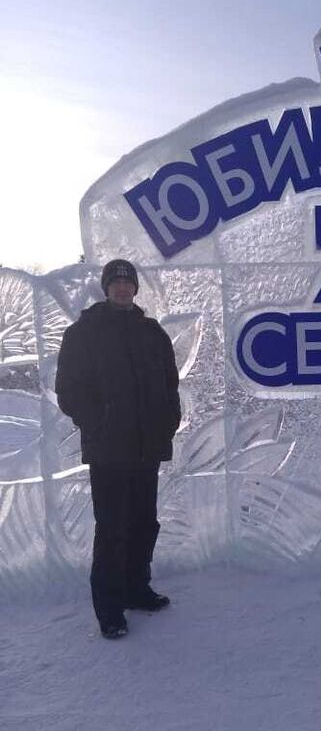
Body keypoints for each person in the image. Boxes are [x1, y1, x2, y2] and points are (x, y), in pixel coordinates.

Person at [55, 259, 181, 639]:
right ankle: (109, 609)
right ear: (106, 288)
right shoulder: (84, 333)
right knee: (112, 527)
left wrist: (167, 422)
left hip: (146, 445)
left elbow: (169, 384)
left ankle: (136, 589)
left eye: (128, 283)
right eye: (116, 283)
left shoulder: (152, 333)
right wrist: (100, 422)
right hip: (109, 448)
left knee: (144, 522)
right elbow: (69, 391)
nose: (123, 288)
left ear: (135, 289)